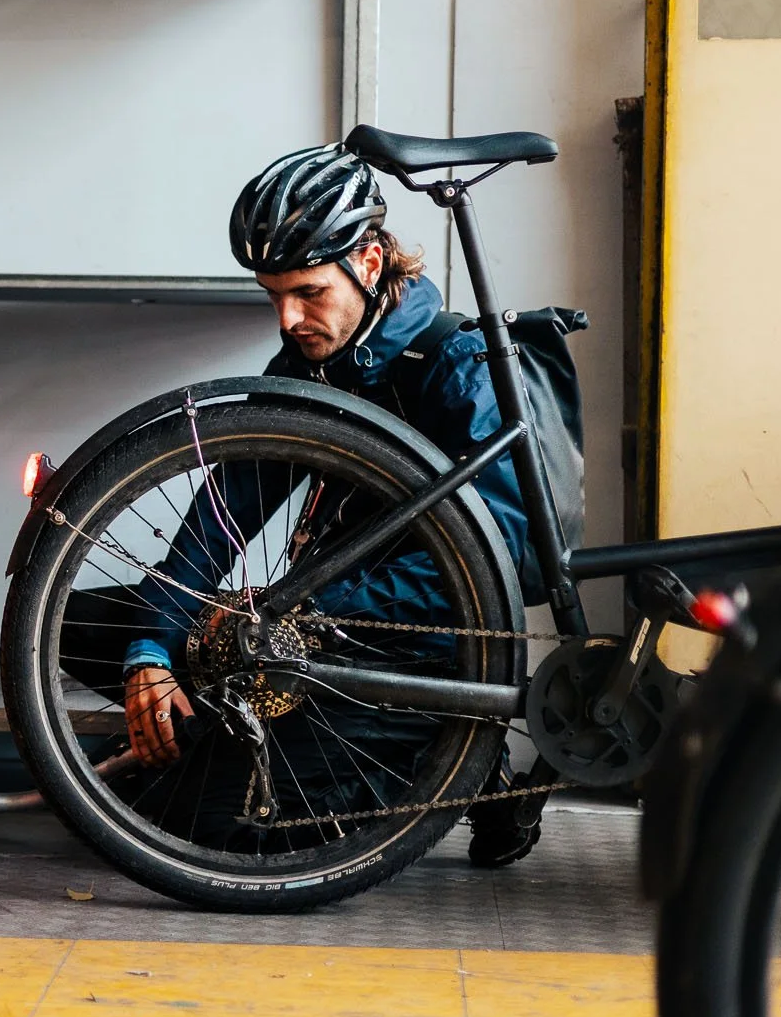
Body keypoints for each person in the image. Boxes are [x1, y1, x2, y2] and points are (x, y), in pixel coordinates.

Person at [118, 143, 539, 868]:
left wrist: (304, 605)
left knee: (181, 821)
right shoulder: (307, 366)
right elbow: (225, 511)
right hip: (308, 642)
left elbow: (496, 562)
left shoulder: (454, 368)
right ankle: (218, 735)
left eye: (307, 293)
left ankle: (464, 769)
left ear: (369, 264)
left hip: (411, 670)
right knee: (85, 619)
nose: (286, 318)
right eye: (271, 295)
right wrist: (148, 648)